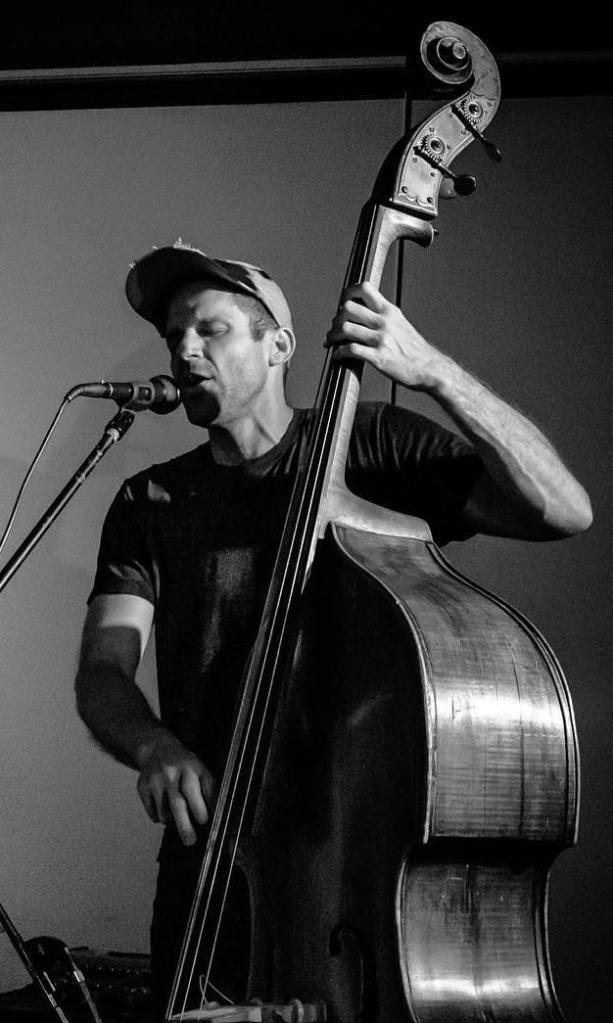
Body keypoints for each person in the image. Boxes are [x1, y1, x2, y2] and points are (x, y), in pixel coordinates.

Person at [75, 240, 592, 1019]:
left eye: (210, 329)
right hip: (214, 864)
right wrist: (154, 746)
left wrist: (434, 372)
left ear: (278, 344)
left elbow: (561, 509)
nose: (183, 350)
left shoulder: (369, 443)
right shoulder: (153, 500)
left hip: (358, 872)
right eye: (174, 336)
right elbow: (103, 669)